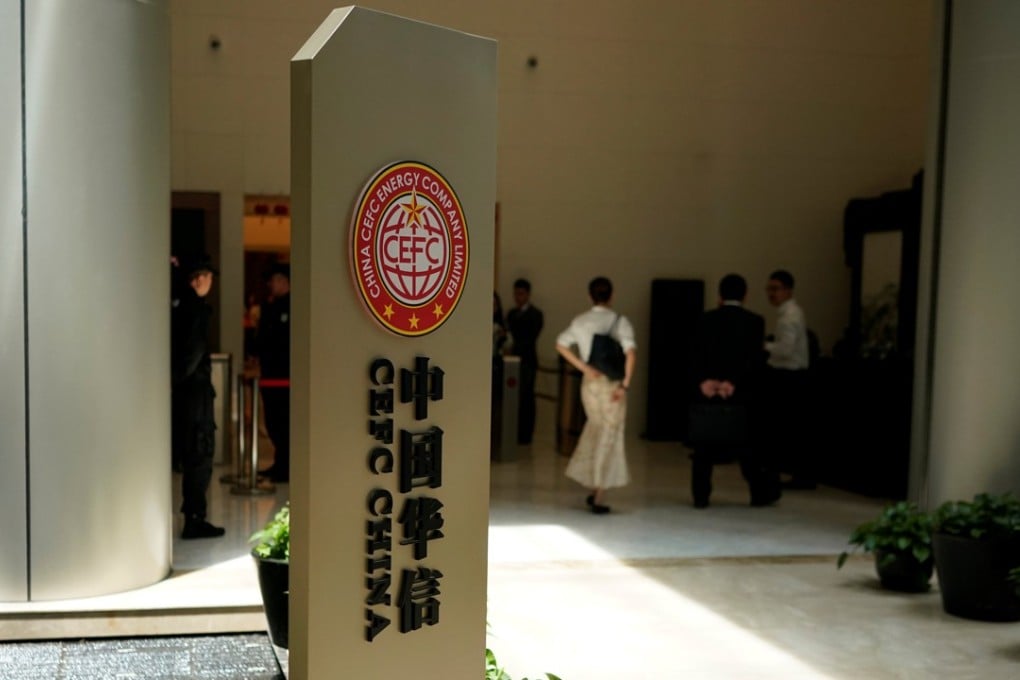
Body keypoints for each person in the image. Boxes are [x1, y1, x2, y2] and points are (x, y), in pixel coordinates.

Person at [689, 274, 780, 508]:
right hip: (741, 392)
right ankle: (758, 494)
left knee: (703, 445)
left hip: (708, 392)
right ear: (745, 295)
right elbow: (754, 359)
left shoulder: (704, 319)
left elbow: (695, 355)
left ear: (719, 295)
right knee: (748, 444)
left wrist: (705, 381)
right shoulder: (755, 321)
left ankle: (701, 496)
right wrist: (733, 383)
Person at [555, 276, 636, 514]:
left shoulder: (581, 321)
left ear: (590, 296)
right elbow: (630, 353)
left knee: (595, 429)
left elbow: (560, 344)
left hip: (590, 384)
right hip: (612, 385)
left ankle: (593, 487)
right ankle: (599, 494)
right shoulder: (619, 322)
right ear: (611, 296)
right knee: (609, 434)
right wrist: (626, 384)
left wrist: (582, 367)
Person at [171, 255, 225, 539]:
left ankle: (193, 515)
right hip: (195, 394)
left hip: (184, 393)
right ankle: (194, 518)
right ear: (200, 278)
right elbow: (192, 353)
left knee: (193, 453)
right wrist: (179, 378)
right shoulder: (196, 308)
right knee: (200, 454)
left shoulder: (177, 304)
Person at [763, 269, 814, 489]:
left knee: (788, 428)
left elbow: (785, 350)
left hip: (790, 376)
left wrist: (763, 346)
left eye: (775, 289)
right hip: (791, 375)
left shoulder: (790, 316)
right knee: (791, 427)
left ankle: (798, 475)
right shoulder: (790, 313)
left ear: (788, 290)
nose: (771, 294)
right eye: (769, 289)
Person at [257, 261, 291, 483]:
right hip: (269, 374)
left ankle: (286, 466)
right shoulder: (270, 307)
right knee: (272, 422)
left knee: (283, 422)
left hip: (284, 375)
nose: (272, 284)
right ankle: (280, 463)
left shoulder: (292, 307)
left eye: (276, 279)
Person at [506, 278, 544, 445]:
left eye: (520, 294)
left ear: (528, 294)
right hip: (511, 361)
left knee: (527, 397)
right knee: (513, 398)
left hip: (527, 360)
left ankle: (526, 434)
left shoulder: (536, 314)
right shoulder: (511, 313)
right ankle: (513, 432)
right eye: (515, 294)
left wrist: (514, 346)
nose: (517, 297)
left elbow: (531, 337)